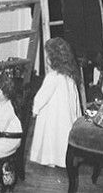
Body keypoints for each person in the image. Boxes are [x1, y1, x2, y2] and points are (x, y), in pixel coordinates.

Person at [29, 37, 81, 167]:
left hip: (52, 117)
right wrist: (77, 117)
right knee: (61, 137)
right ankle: (62, 159)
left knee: (51, 136)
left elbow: (42, 96)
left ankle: (50, 159)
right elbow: (75, 101)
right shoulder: (69, 78)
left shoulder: (52, 77)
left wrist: (35, 109)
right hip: (65, 118)